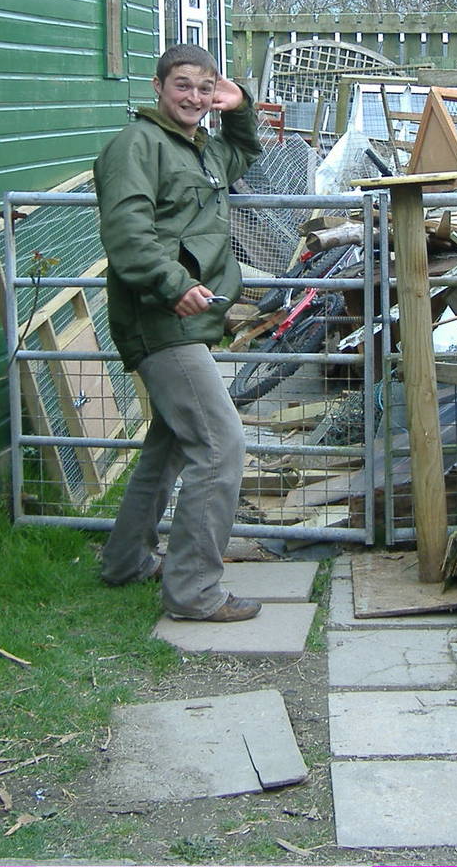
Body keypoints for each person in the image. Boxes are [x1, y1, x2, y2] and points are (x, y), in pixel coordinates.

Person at [93, 44, 263, 621]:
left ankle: (126, 560)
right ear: (157, 87)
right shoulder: (136, 147)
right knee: (220, 445)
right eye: (182, 86)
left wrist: (239, 108)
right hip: (161, 319)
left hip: (190, 320)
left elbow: (243, 150)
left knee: (168, 447)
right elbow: (127, 232)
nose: (194, 97)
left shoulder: (199, 150)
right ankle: (195, 592)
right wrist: (172, 284)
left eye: (205, 87)